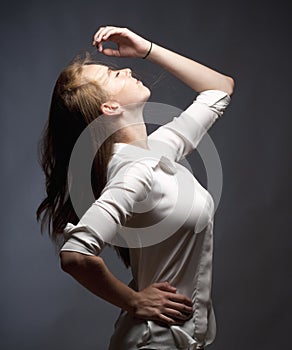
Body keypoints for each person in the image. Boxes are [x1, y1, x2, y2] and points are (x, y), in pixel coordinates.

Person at [36, 25, 234, 350]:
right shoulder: (133, 172)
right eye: (114, 76)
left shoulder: (158, 149)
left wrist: (146, 48)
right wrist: (134, 302)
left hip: (179, 338)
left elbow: (220, 89)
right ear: (110, 108)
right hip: (153, 342)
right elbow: (75, 256)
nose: (126, 70)